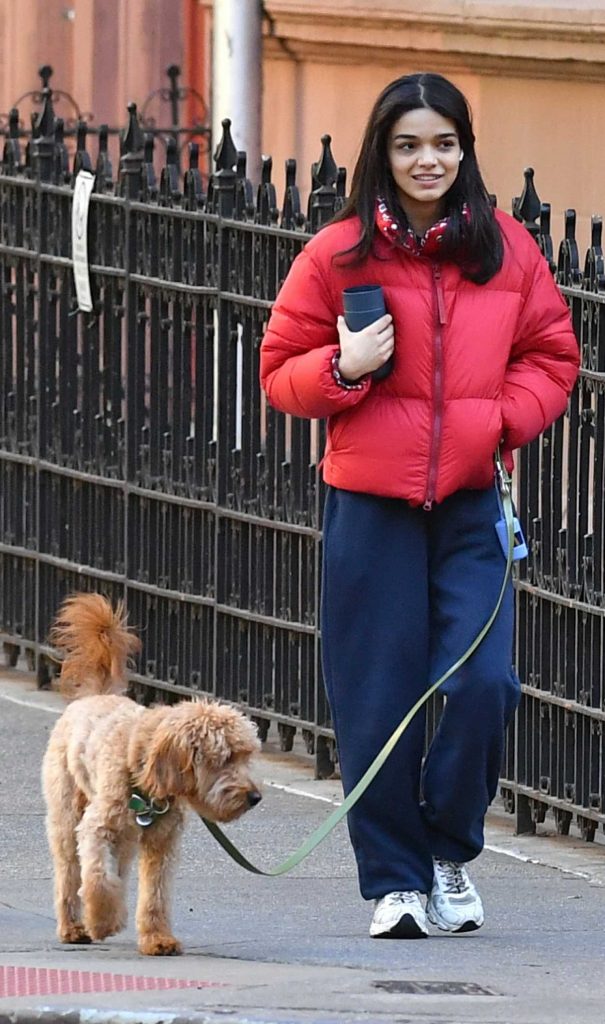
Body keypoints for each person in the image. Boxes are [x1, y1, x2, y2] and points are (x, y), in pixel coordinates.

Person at [259, 72, 579, 939]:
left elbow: (552, 355)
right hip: (371, 510)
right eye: (407, 145)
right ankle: (394, 882)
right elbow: (277, 371)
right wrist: (344, 369)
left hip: (473, 504)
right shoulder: (337, 254)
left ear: (463, 150)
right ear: (383, 154)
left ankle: (446, 849)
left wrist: (495, 423)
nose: (426, 159)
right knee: (375, 695)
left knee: (484, 684)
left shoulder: (507, 248)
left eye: (442, 143)